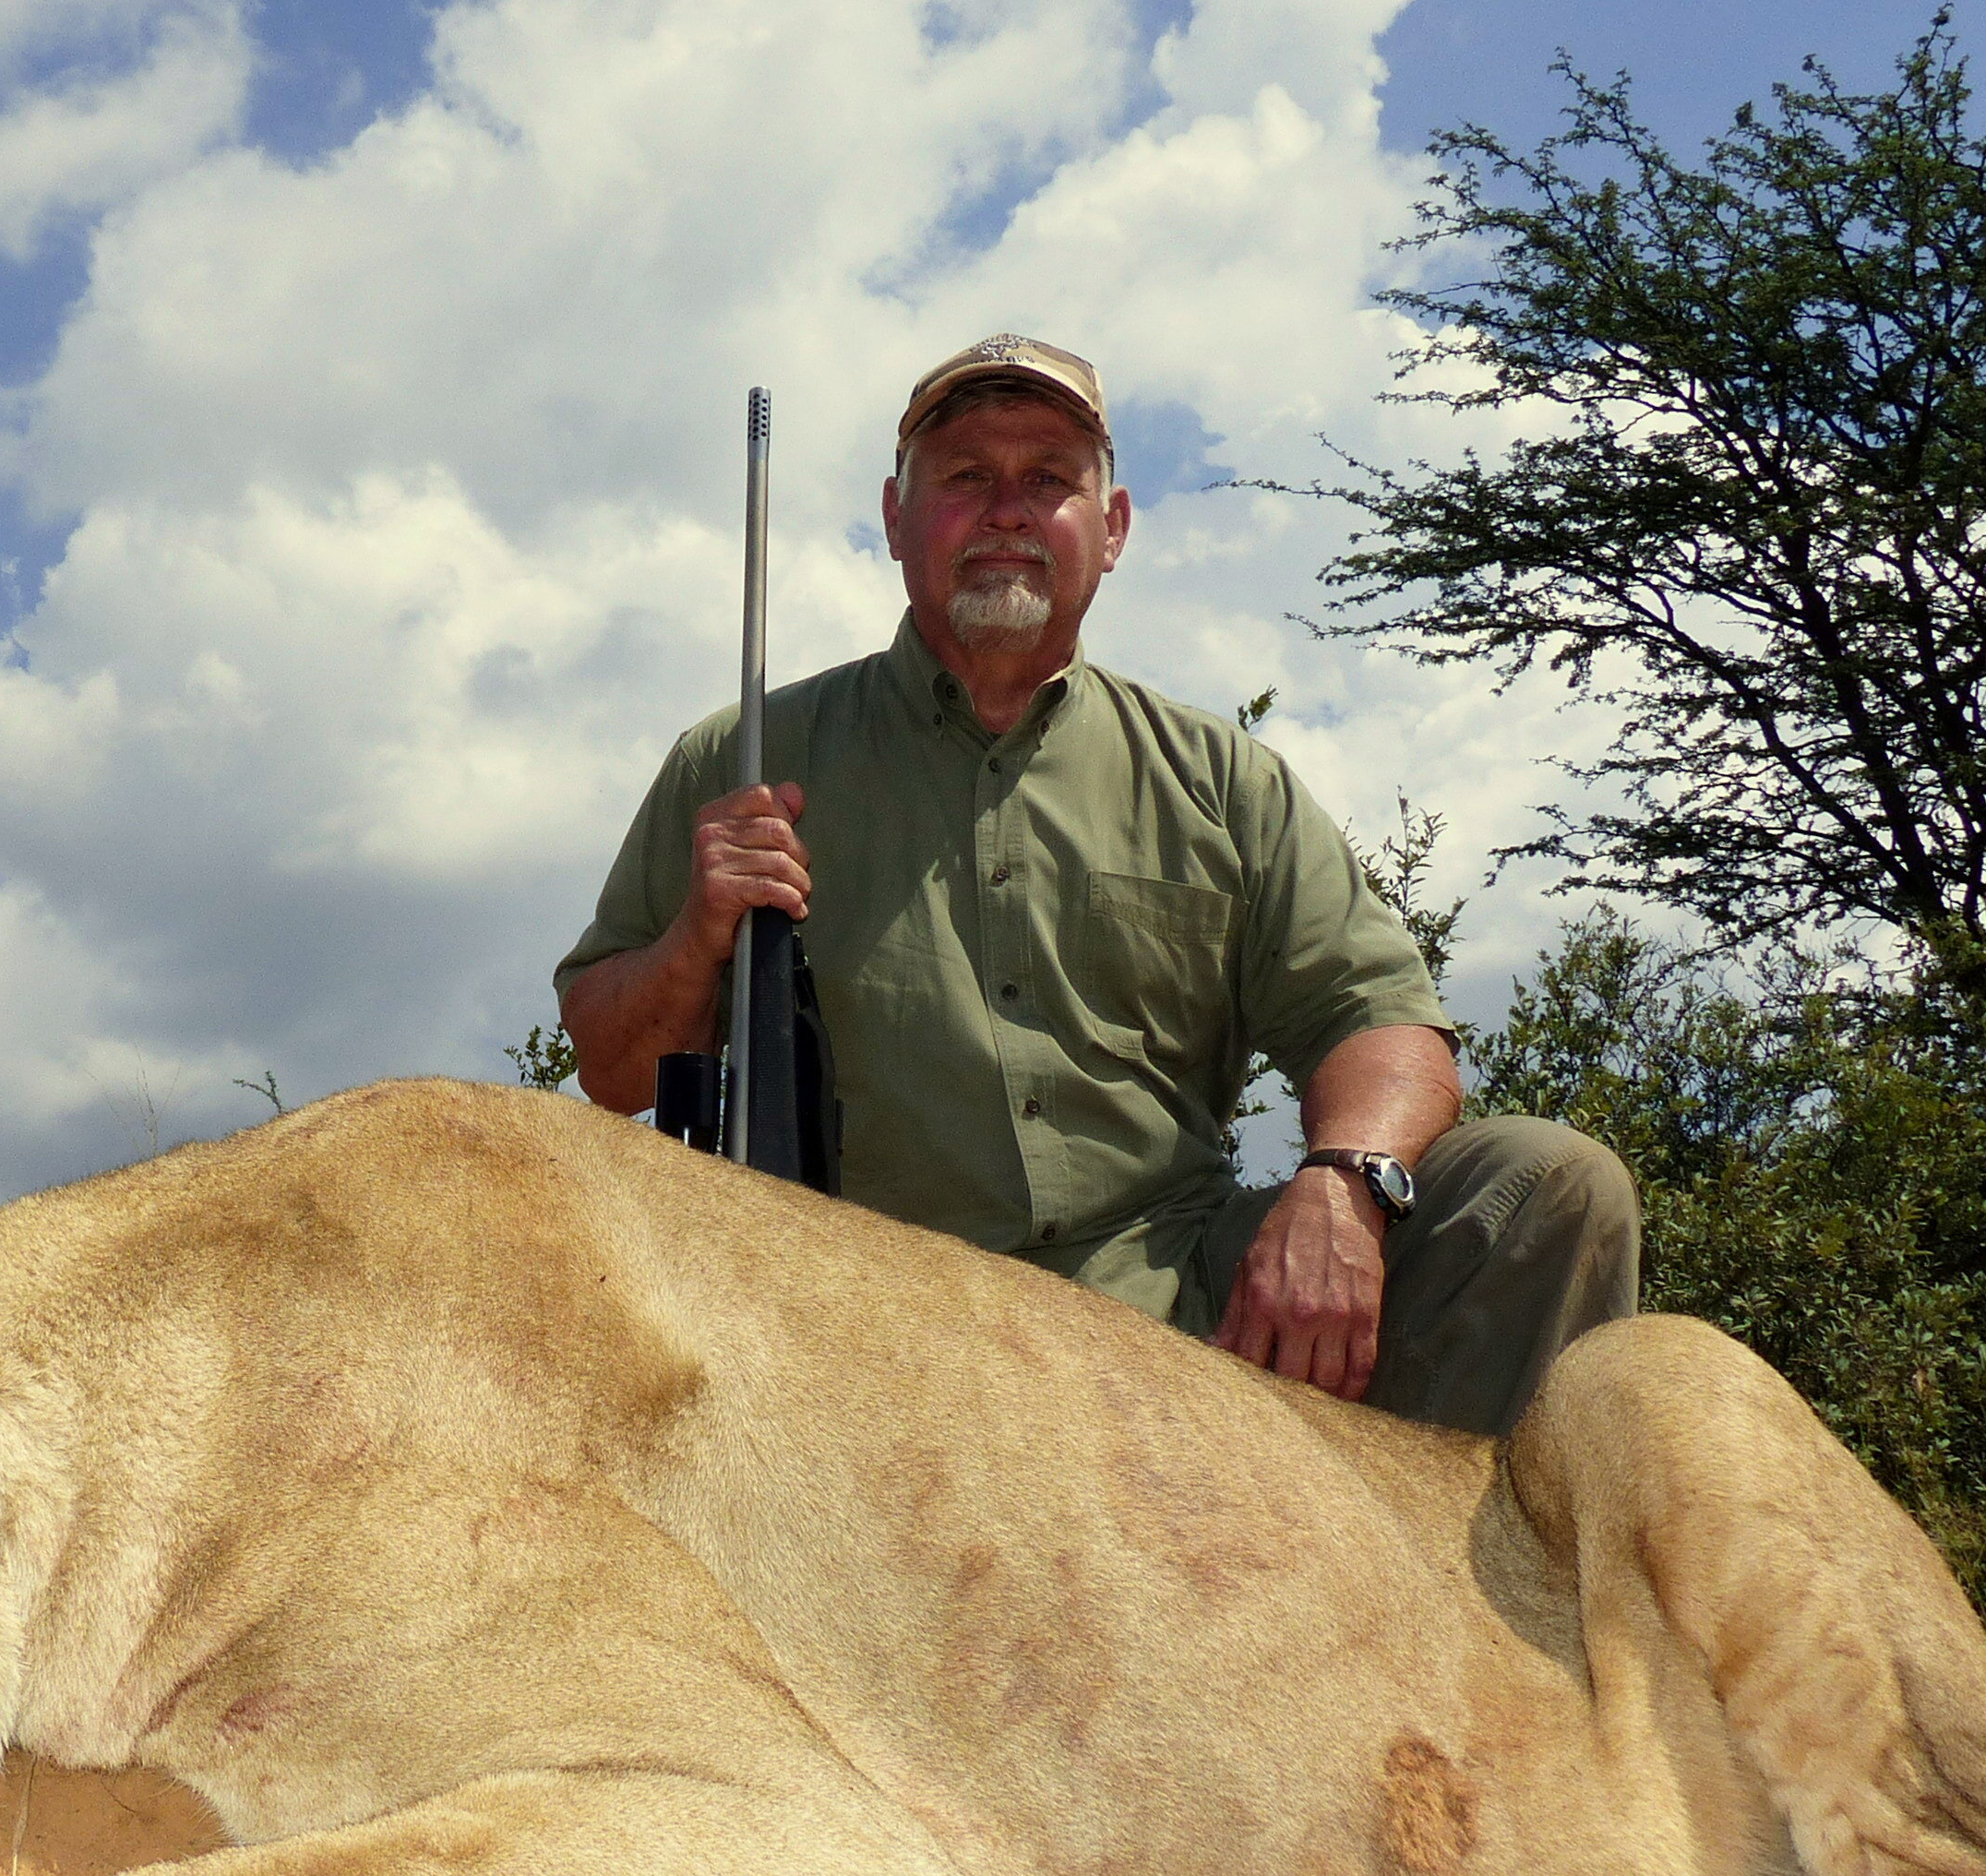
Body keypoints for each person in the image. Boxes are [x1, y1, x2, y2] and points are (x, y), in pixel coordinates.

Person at [555, 332, 1638, 1439]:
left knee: (1549, 1185)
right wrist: (699, 932)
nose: (1007, 511)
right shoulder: (738, 760)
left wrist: (1344, 1189)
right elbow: (610, 1066)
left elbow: (1383, 1024)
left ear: (1110, 528)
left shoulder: (1221, 778)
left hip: (1177, 1297)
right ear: (894, 518)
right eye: (966, 476)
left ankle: (1446, 1599)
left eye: (1049, 480)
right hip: (868, 1308)